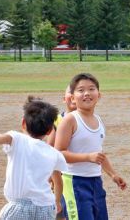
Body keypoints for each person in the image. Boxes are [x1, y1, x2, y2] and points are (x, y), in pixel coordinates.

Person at [0, 96, 67, 220]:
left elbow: (0, 137)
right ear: (49, 130)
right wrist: (57, 201)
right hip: (45, 207)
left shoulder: (18, 139)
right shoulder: (54, 153)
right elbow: (58, 181)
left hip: (19, 207)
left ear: (23, 123)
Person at [55, 73, 127, 220]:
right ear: (73, 97)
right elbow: (58, 154)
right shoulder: (70, 120)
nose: (87, 93)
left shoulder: (98, 120)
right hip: (74, 182)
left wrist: (113, 174)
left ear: (99, 95)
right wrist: (88, 157)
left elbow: (99, 154)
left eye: (91, 89)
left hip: (95, 182)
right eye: (81, 90)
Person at [47, 85, 77, 220]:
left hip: (79, 173)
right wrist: (51, 174)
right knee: (61, 210)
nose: (72, 95)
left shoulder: (88, 119)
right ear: (64, 98)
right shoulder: (57, 120)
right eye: (70, 92)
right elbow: (50, 147)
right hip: (62, 174)